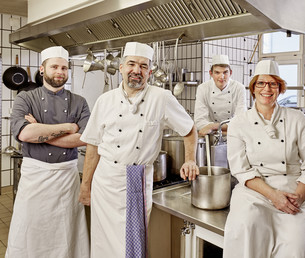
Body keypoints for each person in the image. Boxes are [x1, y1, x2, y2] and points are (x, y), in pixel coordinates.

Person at [78, 41, 199, 258]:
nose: (137, 70)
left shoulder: (162, 98)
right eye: (132, 64)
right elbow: (93, 145)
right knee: (102, 244)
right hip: (105, 182)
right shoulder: (104, 101)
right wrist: (85, 186)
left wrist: (190, 160)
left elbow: (190, 130)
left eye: (143, 66)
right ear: (122, 67)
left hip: (136, 178)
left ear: (150, 72)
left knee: (131, 246)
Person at [223, 60, 305, 258]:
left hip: (293, 191)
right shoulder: (238, 123)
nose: (267, 89)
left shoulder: (298, 119)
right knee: (244, 232)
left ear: (280, 88)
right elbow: (241, 169)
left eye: (273, 83)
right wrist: (273, 195)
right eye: (261, 83)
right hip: (255, 192)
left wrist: (298, 198)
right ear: (253, 88)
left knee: (295, 247)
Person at [6, 46, 90, 258]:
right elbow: (24, 135)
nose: (59, 71)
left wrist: (40, 130)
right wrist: (69, 127)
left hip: (66, 177)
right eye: (54, 67)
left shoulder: (79, 102)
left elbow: (83, 139)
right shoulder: (25, 98)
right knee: (29, 230)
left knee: (66, 231)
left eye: (64, 67)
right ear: (43, 69)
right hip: (35, 176)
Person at [194, 54, 246, 136]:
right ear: (211, 73)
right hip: (212, 137)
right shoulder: (203, 88)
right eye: (217, 72)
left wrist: (212, 127)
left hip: (233, 136)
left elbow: (240, 121)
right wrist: (225, 129)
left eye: (225, 72)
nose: (221, 77)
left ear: (230, 73)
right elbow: (199, 122)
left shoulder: (239, 88)